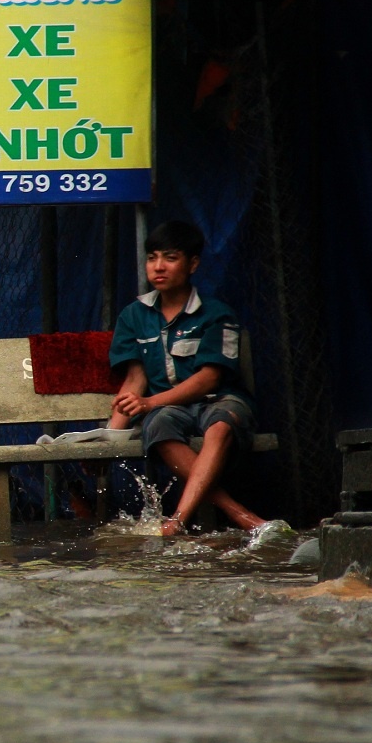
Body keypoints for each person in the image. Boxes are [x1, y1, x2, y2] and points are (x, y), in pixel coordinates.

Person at [108, 220, 266, 538]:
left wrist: (149, 401)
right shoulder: (133, 316)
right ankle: (244, 517)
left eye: (170, 257)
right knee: (157, 423)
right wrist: (108, 440)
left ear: (192, 263)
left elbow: (210, 378)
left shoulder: (216, 313)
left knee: (221, 423)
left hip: (219, 401)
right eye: (152, 257)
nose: (158, 267)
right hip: (170, 410)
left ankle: (177, 519)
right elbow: (135, 381)